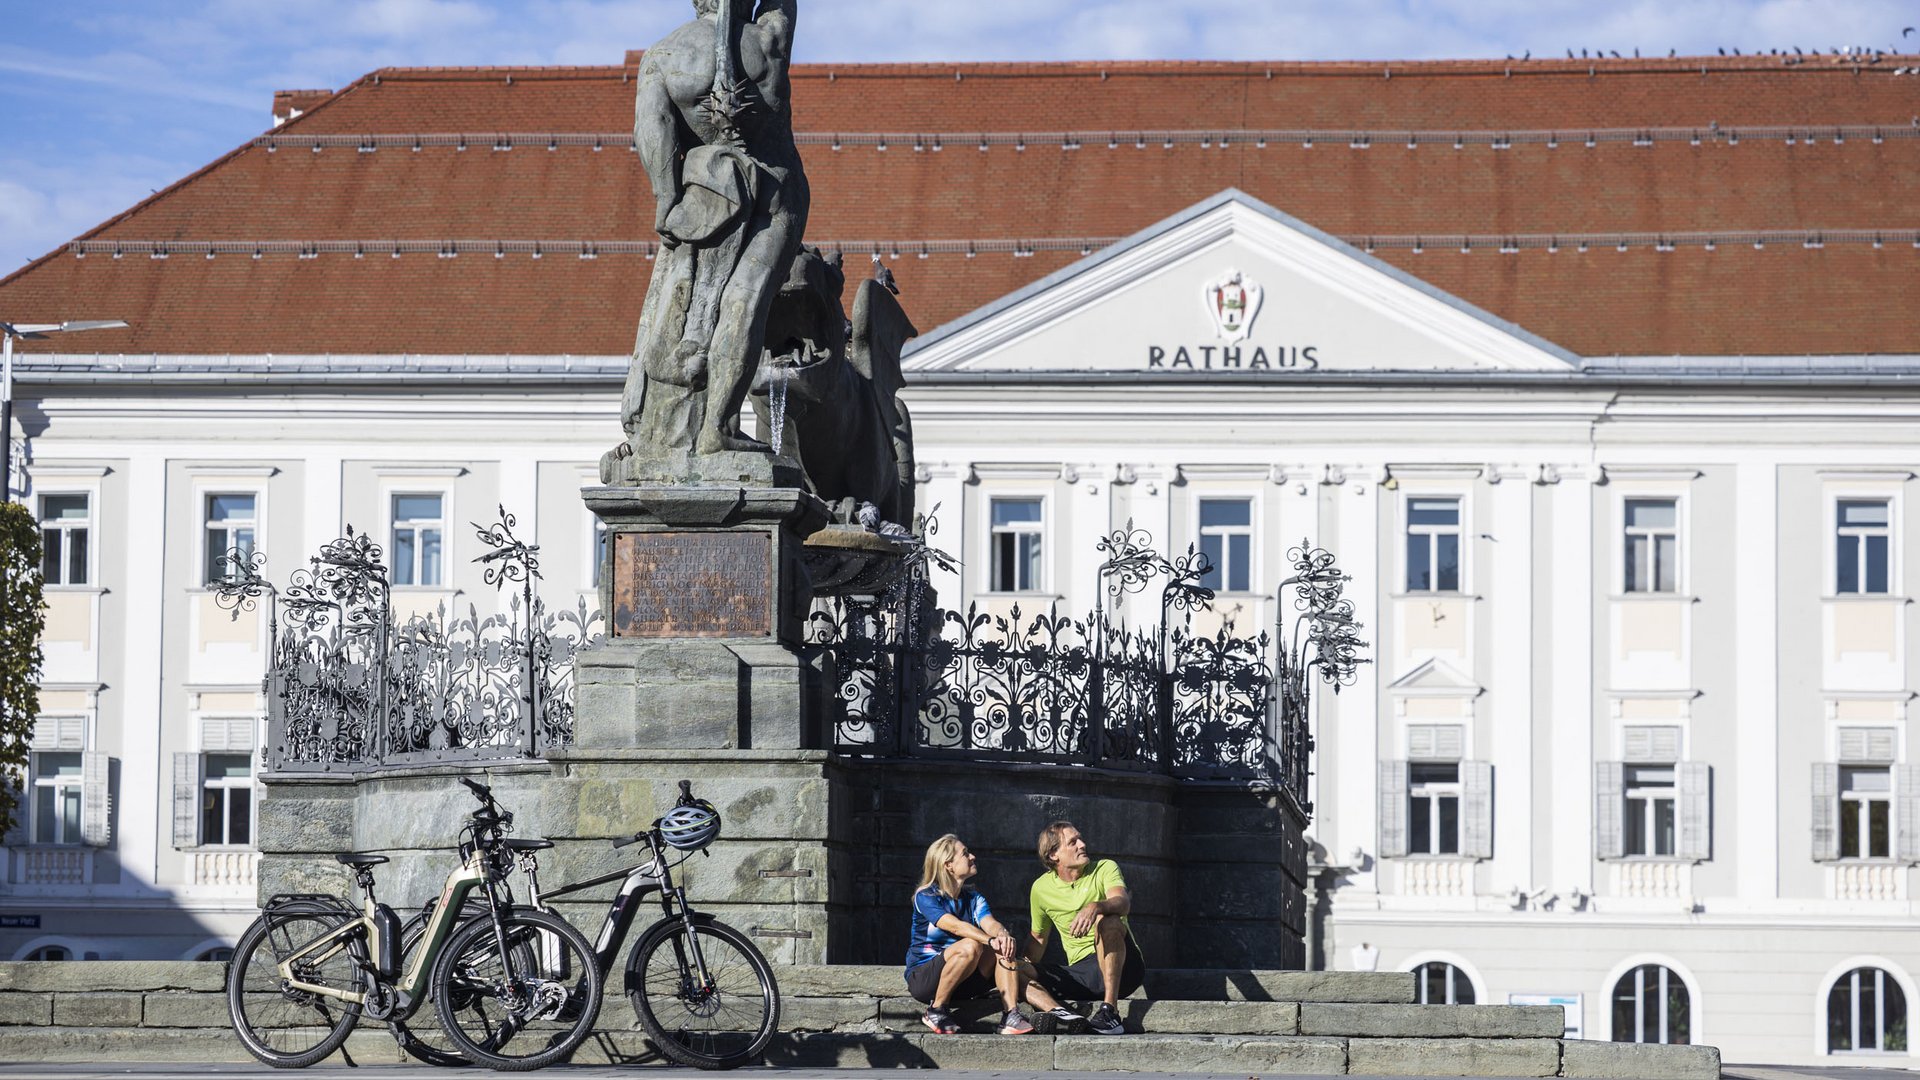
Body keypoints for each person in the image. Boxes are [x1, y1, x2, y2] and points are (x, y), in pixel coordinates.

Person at [905, 834, 1075, 1035]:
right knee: (972, 945)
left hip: (964, 978)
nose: (973, 857)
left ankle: (1011, 1015)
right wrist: (989, 940)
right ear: (948, 865)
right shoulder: (926, 896)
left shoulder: (973, 897)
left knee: (1002, 947)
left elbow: (990, 923)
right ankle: (936, 1009)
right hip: (925, 979)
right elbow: (955, 926)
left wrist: (1002, 936)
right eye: (965, 853)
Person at [1025, 821, 1146, 1036]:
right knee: (1011, 967)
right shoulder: (1040, 888)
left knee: (1107, 920)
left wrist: (1096, 906)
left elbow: (1123, 902)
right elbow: (1038, 939)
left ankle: (1110, 1012)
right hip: (1083, 973)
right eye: (1073, 842)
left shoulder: (1104, 867)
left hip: (1125, 966)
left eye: (1080, 839)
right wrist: (1019, 969)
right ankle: (1062, 1014)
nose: (1082, 844)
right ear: (1054, 854)